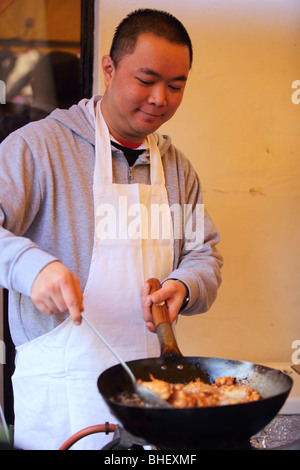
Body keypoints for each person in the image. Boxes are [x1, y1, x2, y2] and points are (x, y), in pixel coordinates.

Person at [0, 9, 223, 450]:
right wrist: (31, 266)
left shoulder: (177, 169)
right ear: (108, 68)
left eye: (176, 85)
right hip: (63, 397)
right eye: (146, 79)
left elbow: (205, 254)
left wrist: (186, 283)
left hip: (150, 391)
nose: (160, 97)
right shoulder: (38, 148)